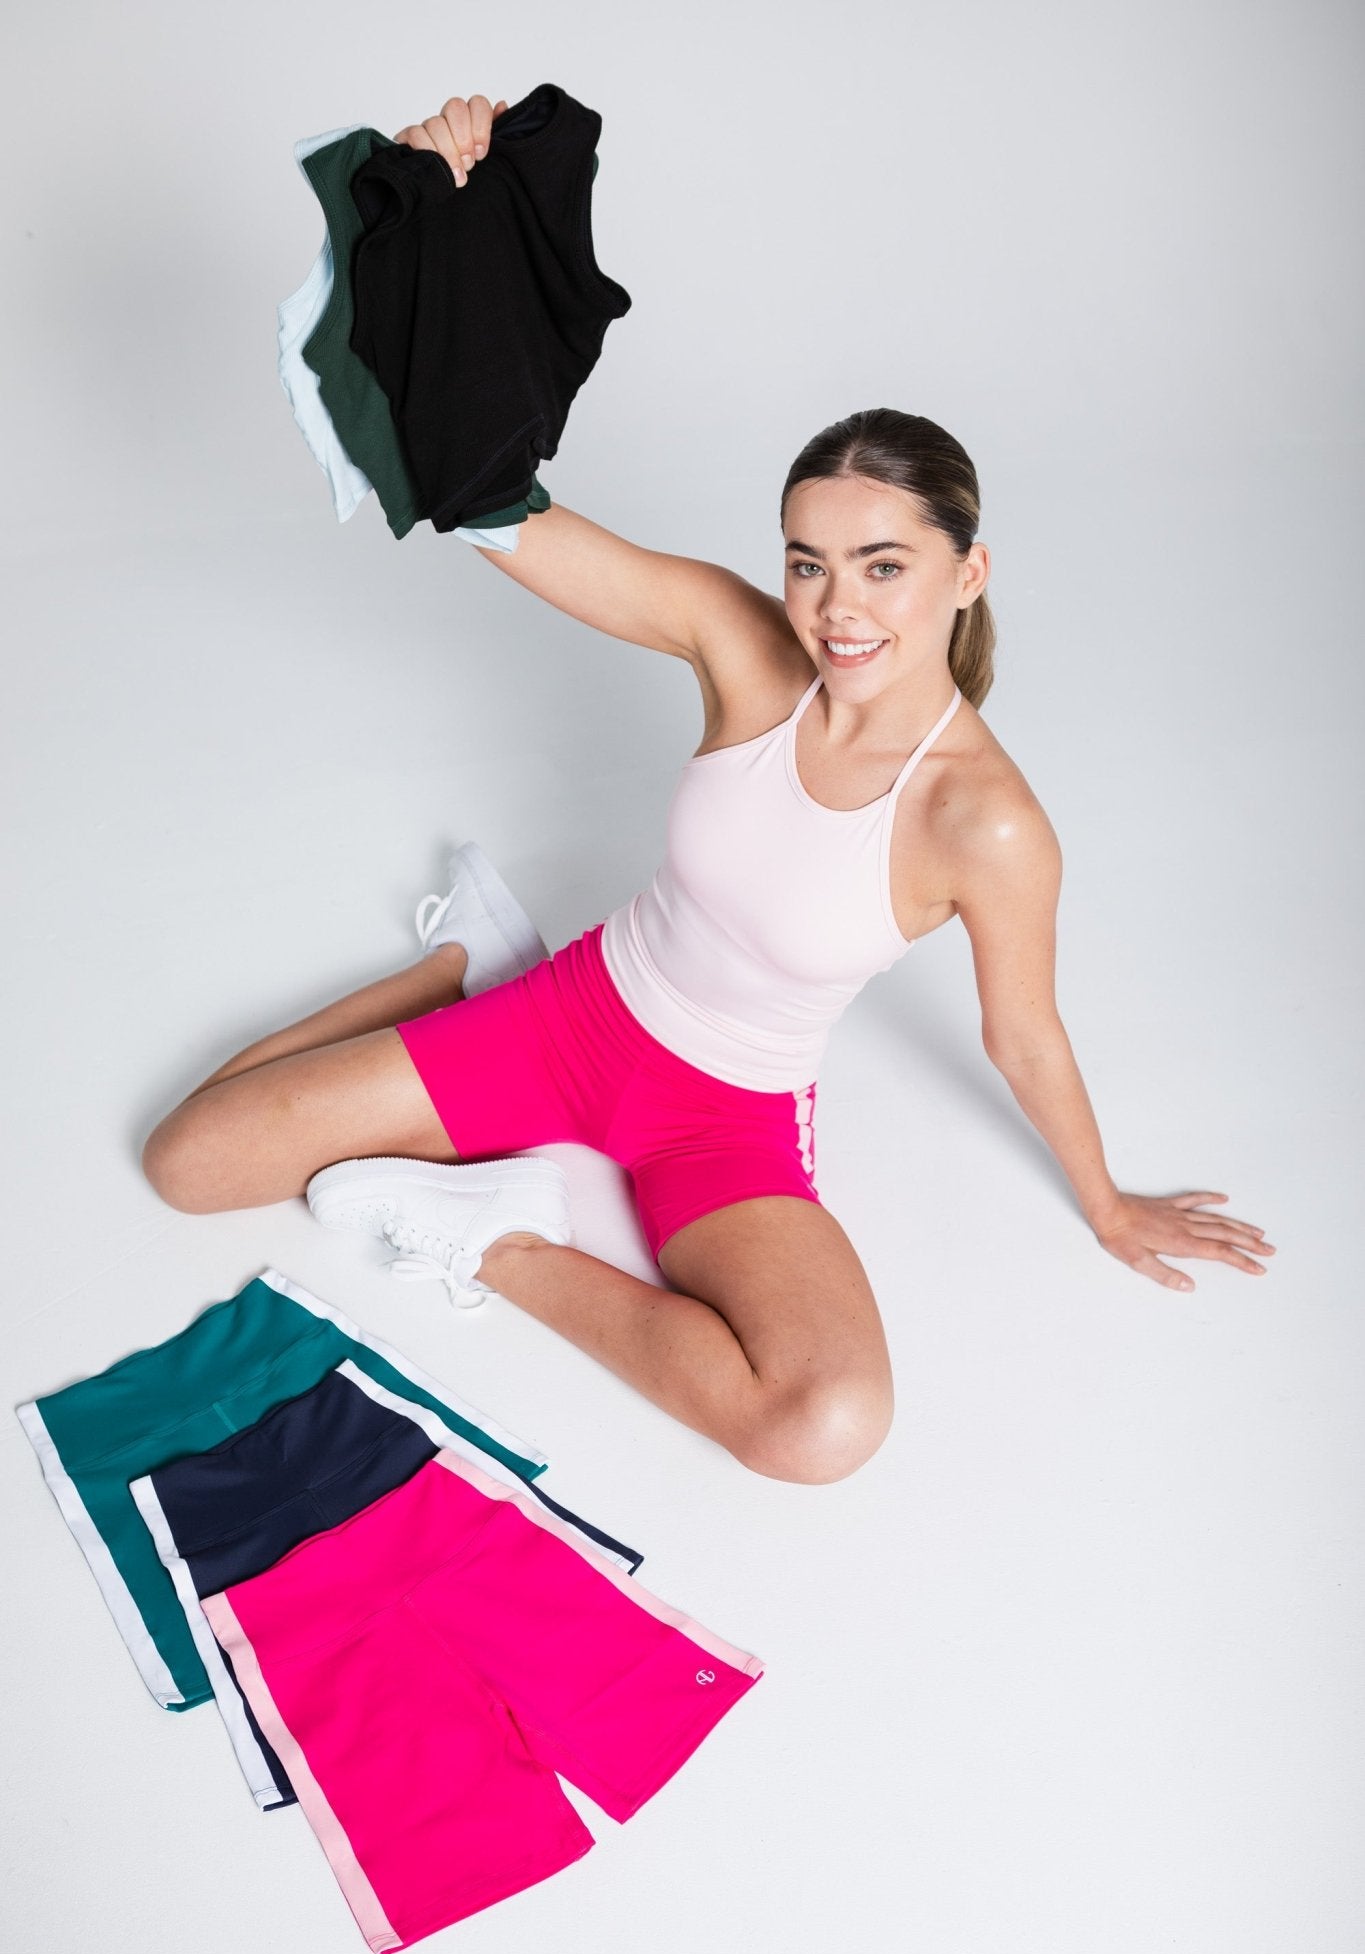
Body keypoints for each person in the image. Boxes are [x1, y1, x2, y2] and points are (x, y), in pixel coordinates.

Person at [142, 94, 1274, 1488]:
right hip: (568, 1020)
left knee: (821, 1426)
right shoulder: (746, 649)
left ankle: (490, 1231)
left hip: (719, 1117)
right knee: (187, 1164)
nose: (834, 608)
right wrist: (449, 230)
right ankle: (464, 967)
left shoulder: (979, 820)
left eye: (880, 564)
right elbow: (504, 516)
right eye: (808, 560)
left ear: (965, 573)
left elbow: (1022, 1034)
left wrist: (1102, 1205)